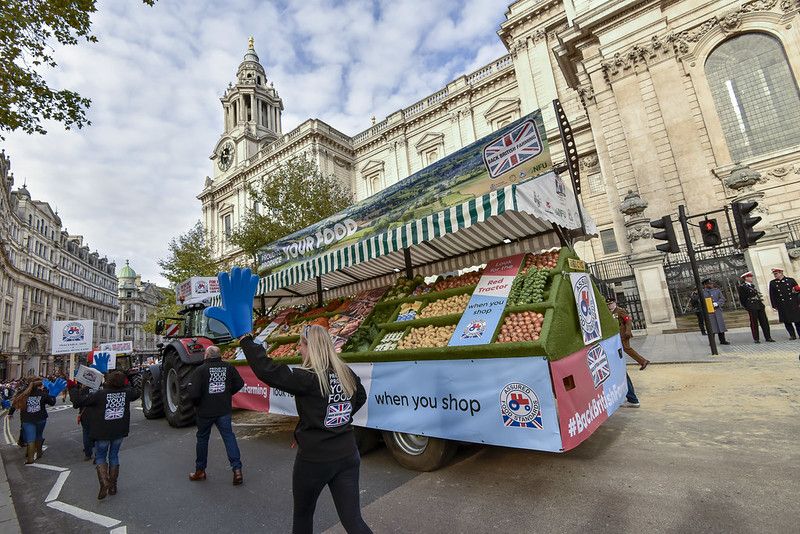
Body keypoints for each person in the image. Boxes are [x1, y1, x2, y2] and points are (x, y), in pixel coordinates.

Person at [240, 325, 372, 534]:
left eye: (301, 345)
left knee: (303, 516)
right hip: (348, 454)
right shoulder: (346, 373)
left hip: (314, 460)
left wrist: (246, 341)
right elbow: (361, 397)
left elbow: (267, 370)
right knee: (353, 520)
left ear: (311, 347)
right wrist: (339, 420)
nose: (299, 349)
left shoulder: (308, 378)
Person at [70, 370, 141, 500]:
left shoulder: (100, 394)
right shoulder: (126, 393)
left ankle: (104, 483)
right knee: (114, 455)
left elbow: (78, 401)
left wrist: (73, 387)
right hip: (119, 430)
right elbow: (137, 391)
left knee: (101, 456)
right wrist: (130, 378)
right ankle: (113, 486)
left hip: (102, 431)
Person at [186, 345, 245, 485]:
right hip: (223, 409)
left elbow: (193, 393)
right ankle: (237, 470)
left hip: (205, 411)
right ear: (219, 355)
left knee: (202, 439)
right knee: (229, 437)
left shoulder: (200, 370)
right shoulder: (228, 367)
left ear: (206, 356)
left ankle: (200, 470)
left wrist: (198, 404)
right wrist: (227, 393)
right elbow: (240, 383)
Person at [8, 379, 55, 464]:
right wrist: (53, 395)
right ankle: (39, 453)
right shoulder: (43, 394)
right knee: (39, 435)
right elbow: (52, 403)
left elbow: (15, 403)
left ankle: (30, 458)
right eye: (42, 386)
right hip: (41, 419)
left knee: (30, 439)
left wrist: (10, 413)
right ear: (38, 387)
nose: (43, 387)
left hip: (27, 419)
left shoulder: (24, 395)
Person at [606, 296, 649, 370]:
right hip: (616, 334)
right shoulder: (609, 312)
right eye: (608, 304)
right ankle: (619, 365)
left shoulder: (620, 311)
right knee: (617, 349)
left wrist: (628, 331)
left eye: (611, 303)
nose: (610, 305)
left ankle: (643, 361)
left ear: (614, 303)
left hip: (623, 333)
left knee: (626, 348)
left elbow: (628, 321)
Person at [737, 272, 774, 343]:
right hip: (751, 306)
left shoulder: (752, 286)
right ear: (746, 278)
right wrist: (747, 307)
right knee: (754, 323)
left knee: (764, 321)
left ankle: (768, 337)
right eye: (750, 277)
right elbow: (742, 299)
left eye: (751, 276)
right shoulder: (742, 287)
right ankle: (756, 338)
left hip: (759, 305)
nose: (751, 278)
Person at [768, 267, 800, 339]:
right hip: (782, 305)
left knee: (797, 320)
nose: (775, 275)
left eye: (776, 273)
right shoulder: (773, 283)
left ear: (781, 273)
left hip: (793, 303)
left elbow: (798, 291)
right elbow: (772, 295)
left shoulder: (790, 280)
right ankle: (792, 335)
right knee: (787, 321)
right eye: (774, 274)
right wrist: (774, 305)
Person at [69, 382, 97, 461]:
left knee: (86, 433)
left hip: (86, 414)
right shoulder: (99, 390)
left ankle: (88, 454)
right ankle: (98, 455)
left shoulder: (83, 391)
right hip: (98, 414)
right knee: (98, 435)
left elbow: (76, 404)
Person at [702, 279, 729, 345]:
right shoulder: (703, 292)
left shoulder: (717, 291)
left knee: (720, 325)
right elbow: (701, 301)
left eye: (711, 283)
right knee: (711, 327)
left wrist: (717, 303)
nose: (711, 285)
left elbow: (722, 298)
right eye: (709, 284)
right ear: (705, 285)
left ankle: (722, 340)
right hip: (709, 312)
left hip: (717, 311)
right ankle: (712, 341)